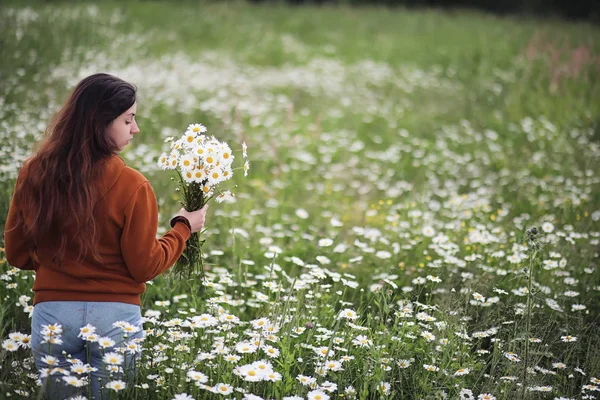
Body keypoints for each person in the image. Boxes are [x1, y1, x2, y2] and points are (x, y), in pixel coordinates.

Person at [4, 73, 208, 399]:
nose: (135, 129)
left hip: (53, 314)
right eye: (128, 120)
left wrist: (59, 266)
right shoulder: (133, 185)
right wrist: (183, 227)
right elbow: (144, 266)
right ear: (100, 122)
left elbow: (15, 254)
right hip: (116, 319)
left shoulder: (34, 172)